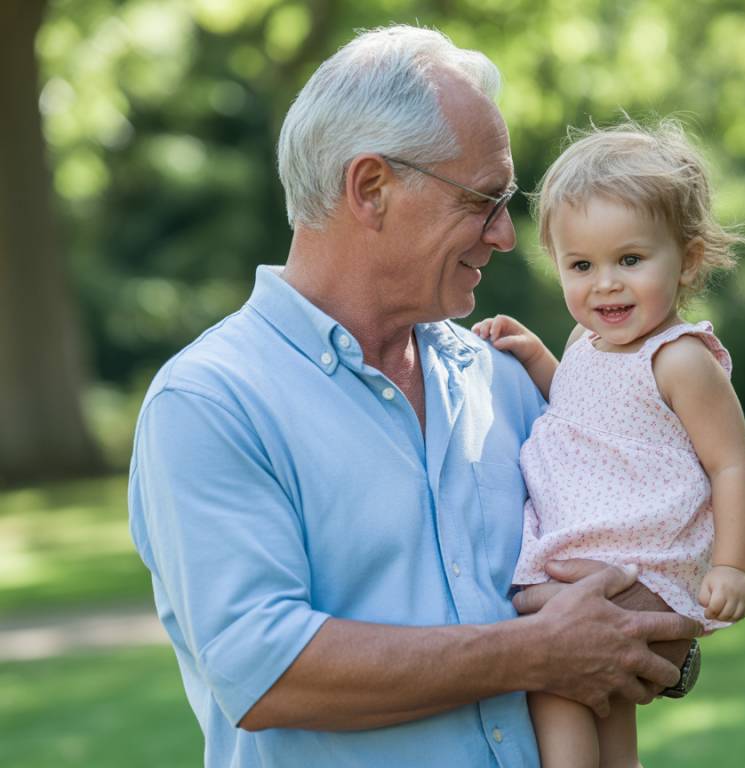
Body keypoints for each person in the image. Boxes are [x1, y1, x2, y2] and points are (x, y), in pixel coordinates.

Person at [127, 26, 700, 767]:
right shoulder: (210, 403)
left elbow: (622, 593)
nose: (503, 235)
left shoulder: (506, 378)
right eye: (484, 200)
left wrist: (658, 648)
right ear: (372, 188)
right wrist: (534, 653)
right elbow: (262, 670)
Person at [472, 120, 745, 767]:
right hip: (590, 554)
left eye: (629, 260)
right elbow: (581, 411)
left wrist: (732, 567)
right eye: (582, 265)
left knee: (555, 673)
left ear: (685, 259)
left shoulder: (680, 358)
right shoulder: (583, 342)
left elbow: (731, 465)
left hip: (641, 566)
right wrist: (539, 358)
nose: (605, 283)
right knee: (602, 702)